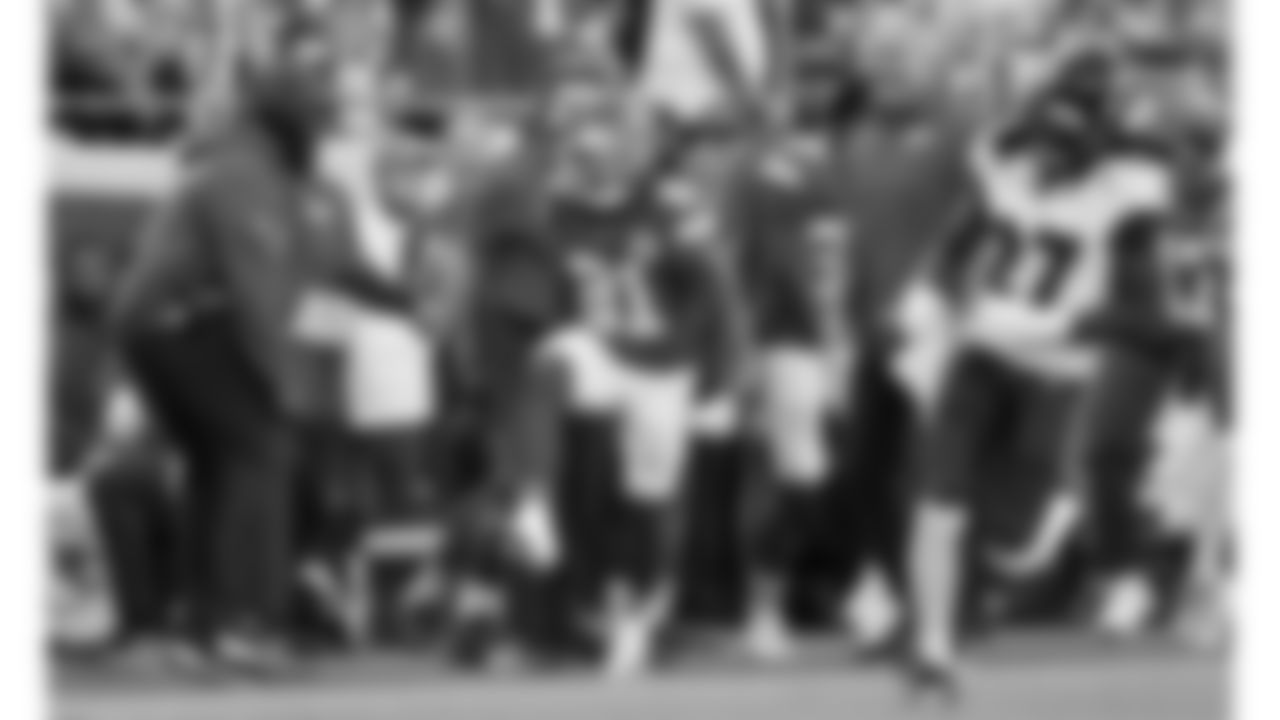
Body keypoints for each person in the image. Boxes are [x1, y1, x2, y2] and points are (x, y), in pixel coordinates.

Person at [110, 8, 409, 673]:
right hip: (177, 322)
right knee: (262, 446)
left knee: (224, 461)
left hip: (186, 326)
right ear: (289, 120)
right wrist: (283, 383)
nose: (326, 131)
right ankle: (246, 622)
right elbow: (258, 295)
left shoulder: (296, 181)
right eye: (318, 119)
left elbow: (339, 264)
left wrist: (406, 301)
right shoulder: (246, 170)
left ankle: (204, 623)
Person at [894, 54, 1180, 696]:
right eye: (1043, 139)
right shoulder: (1005, 154)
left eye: (1065, 147)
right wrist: (931, 295)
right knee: (937, 501)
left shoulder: (1127, 196)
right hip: (981, 355)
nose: (1046, 160)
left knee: (1015, 544)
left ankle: (1051, 523)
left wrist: (1050, 328)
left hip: (1053, 374)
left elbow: (1141, 317)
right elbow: (965, 234)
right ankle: (932, 650)